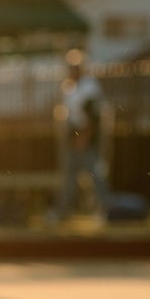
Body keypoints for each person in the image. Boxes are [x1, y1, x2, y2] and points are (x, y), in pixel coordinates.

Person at [52, 51, 112, 224]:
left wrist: (84, 137)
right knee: (69, 177)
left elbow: (93, 117)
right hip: (73, 136)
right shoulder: (69, 87)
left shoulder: (89, 87)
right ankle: (63, 212)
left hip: (88, 138)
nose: (71, 71)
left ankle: (105, 210)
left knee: (95, 174)